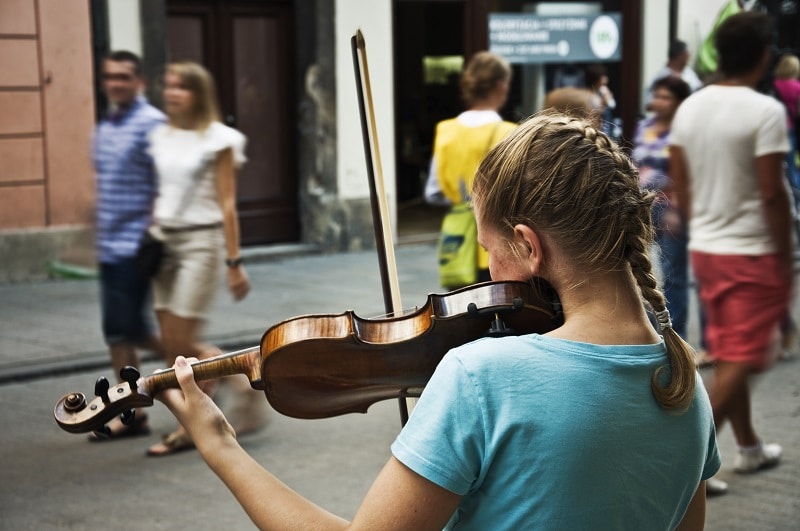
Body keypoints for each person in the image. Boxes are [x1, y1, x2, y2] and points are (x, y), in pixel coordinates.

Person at [157, 111, 719, 529]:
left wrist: (219, 443)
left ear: (527, 245)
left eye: (489, 250)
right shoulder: (682, 381)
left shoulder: (483, 376)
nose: (488, 273)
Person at [670, 11, 792, 494]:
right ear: (764, 56)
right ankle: (684, 472)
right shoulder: (764, 112)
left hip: (709, 249)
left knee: (728, 351)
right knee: (746, 354)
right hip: (753, 250)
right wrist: (784, 257)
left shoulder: (691, 108)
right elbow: (772, 193)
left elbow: (682, 184)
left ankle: (749, 447)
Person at [145, 61, 255, 456]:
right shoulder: (157, 135)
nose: (172, 92)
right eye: (169, 85)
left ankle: (190, 427)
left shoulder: (219, 138)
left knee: (178, 344)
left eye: (183, 87)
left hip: (201, 243)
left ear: (199, 94)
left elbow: (227, 203)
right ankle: (241, 380)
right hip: (163, 243)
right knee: (174, 341)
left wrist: (234, 261)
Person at [89, 50, 165, 441]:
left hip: (136, 245)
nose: (115, 83)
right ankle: (132, 412)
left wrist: (152, 233)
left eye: (123, 76)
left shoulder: (152, 124)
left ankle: (203, 364)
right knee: (121, 332)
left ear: (140, 82)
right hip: (109, 246)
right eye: (109, 77)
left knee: (128, 331)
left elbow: (167, 182)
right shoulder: (105, 127)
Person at [423, 51, 516, 287]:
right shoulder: (510, 133)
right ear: (500, 86)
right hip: (498, 242)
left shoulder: (446, 130)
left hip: (457, 241)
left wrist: (461, 199)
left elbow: (433, 192)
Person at [632, 76, 692, 340]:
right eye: (656, 95)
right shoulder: (645, 127)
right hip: (643, 207)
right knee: (642, 271)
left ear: (679, 102)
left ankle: (676, 337)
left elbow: (686, 172)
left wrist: (675, 208)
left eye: (665, 97)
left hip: (671, 208)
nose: (657, 102)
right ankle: (652, 334)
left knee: (673, 275)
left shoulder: (686, 130)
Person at [773, 53, 800, 196]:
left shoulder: (773, 85)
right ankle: (797, 202)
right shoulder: (797, 87)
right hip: (790, 129)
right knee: (792, 168)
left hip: (773, 128)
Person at [585, 64, 616, 135]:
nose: (606, 79)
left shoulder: (604, 91)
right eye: (603, 76)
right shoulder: (589, 95)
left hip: (607, 129)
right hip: (596, 132)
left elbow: (612, 104)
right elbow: (593, 114)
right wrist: (603, 103)